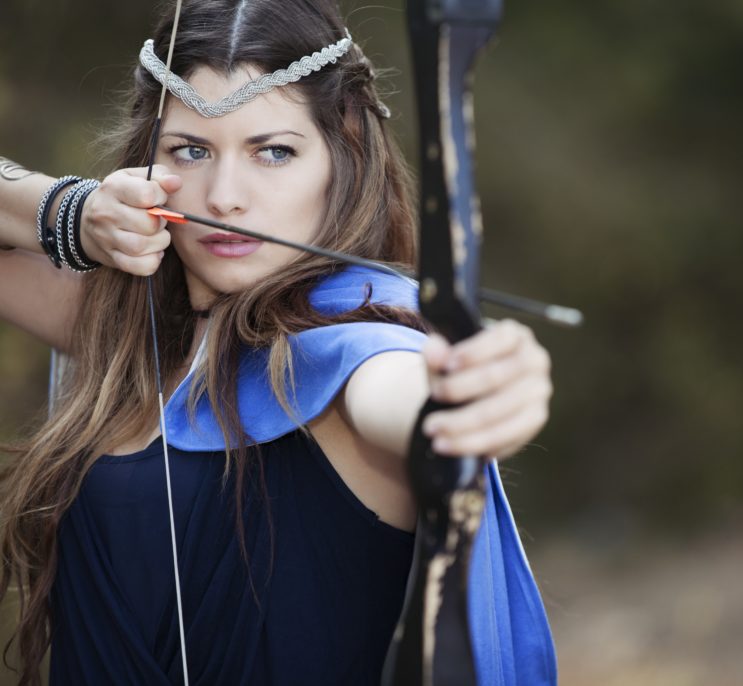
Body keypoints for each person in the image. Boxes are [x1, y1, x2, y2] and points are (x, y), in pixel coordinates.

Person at [0, 0, 558, 684]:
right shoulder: (128, 323)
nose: (225, 196)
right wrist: (66, 213)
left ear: (345, 148)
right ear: (148, 160)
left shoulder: (360, 341)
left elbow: (408, 393)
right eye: (191, 150)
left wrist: (477, 391)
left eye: (273, 152)